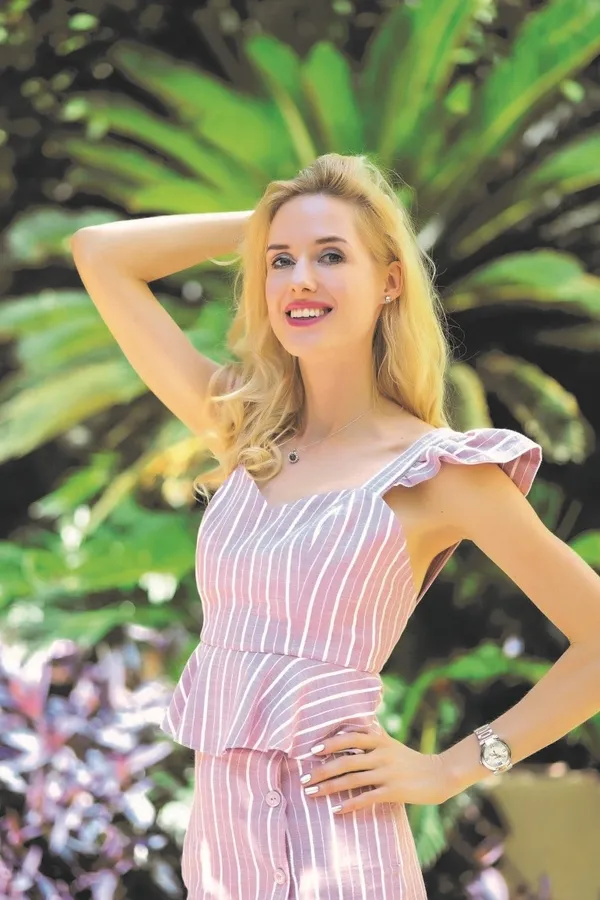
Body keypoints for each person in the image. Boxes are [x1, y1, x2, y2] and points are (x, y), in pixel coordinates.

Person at [70, 153, 600, 900]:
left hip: (341, 854)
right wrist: (266, 223)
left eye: (331, 256)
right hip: (224, 862)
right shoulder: (247, 434)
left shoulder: (438, 471)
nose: (299, 279)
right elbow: (100, 253)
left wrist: (451, 769)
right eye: (280, 261)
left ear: (390, 282)